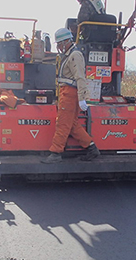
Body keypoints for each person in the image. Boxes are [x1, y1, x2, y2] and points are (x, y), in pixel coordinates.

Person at [42, 28, 100, 164]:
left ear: (65, 42)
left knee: (62, 123)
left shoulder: (75, 56)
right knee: (72, 124)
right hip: (67, 93)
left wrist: (82, 98)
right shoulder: (70, 55)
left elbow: (80, 78)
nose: (58, 47)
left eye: (59, 44)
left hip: (70, 94)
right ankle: (91, 147)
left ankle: (56, 152)